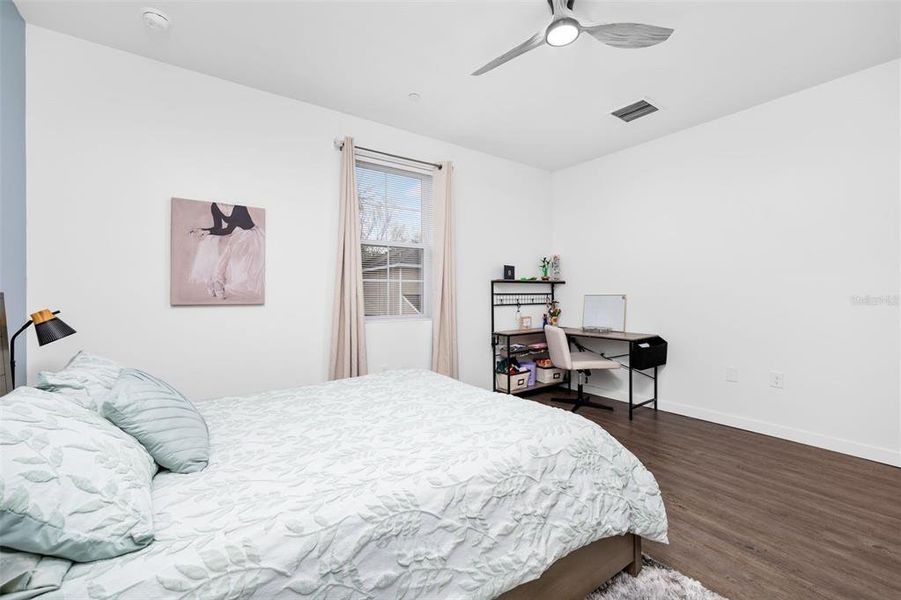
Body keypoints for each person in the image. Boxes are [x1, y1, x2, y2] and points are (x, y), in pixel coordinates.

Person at [189, 203, 264, 300]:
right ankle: (210, 279)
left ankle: (218, 279)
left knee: (231, 244)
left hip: (249, 234)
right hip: (235, 233)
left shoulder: (239, 208)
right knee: (209, 239)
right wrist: (203, 230)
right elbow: (217, 227)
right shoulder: (215, 206)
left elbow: (228, 230)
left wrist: (208, 232)